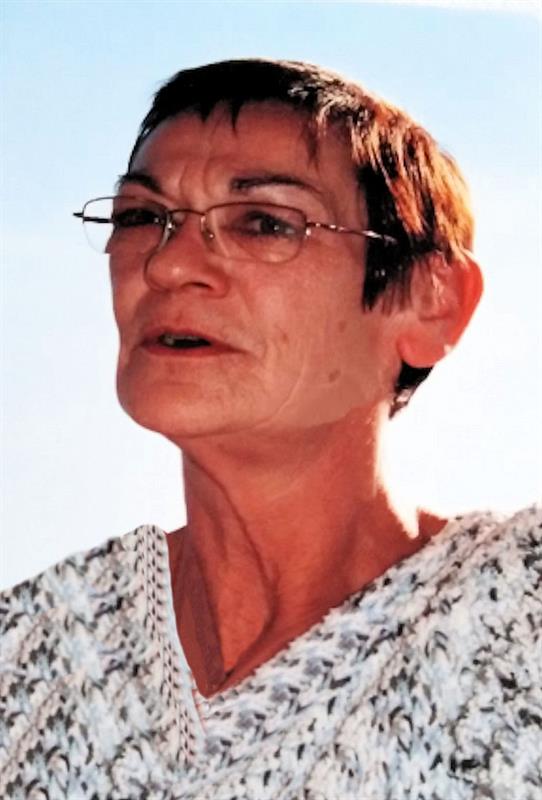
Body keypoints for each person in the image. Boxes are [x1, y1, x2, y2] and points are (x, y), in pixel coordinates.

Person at [1, 59, 540, 800]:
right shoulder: (31, 656)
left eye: (263, 223)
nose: (169, 266)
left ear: (429, 299)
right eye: (141, 218)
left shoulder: (516, 611)